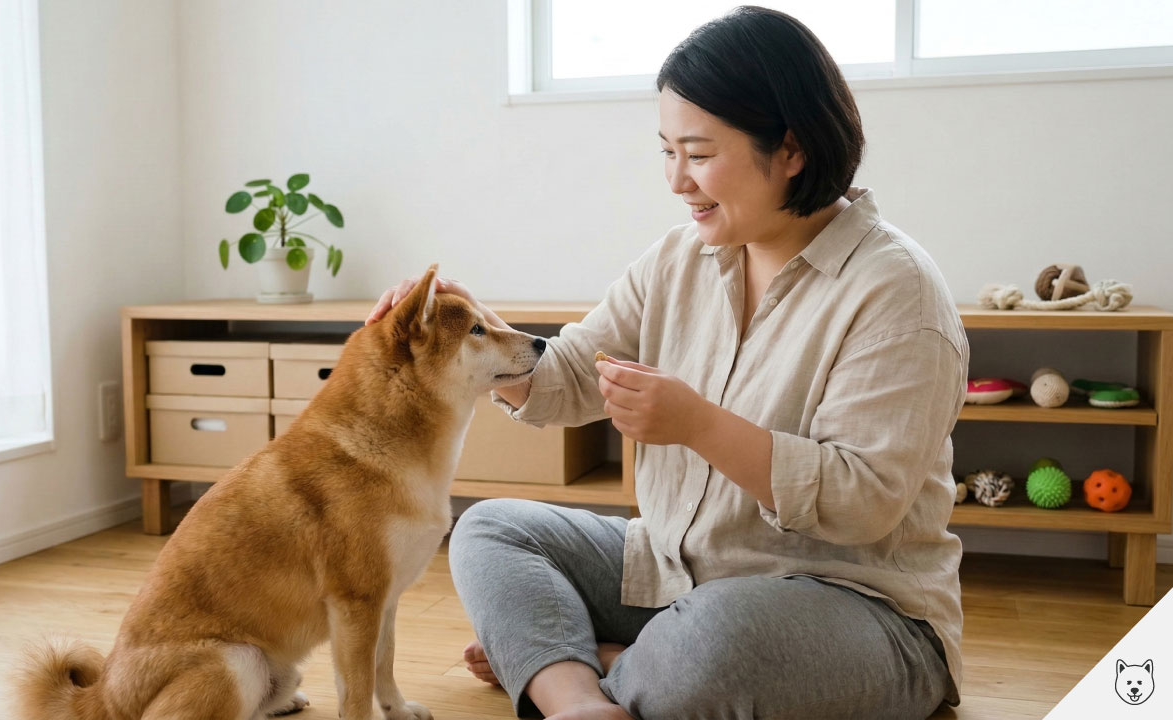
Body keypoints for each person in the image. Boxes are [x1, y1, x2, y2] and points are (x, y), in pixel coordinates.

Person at [366, 6, 966, 719]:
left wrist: (699, 425)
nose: (677, 180)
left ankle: (570, 661)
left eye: (700, 153)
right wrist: (471, 330)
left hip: (853, 608)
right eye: (667, 151)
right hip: (681, 572)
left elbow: (862, 501)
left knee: (715, 642)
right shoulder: (679, 257)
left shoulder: (896, 290)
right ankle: (580, 699)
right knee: (492, 526)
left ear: (793, 150)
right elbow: (564, 376)